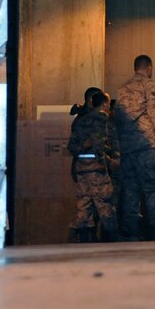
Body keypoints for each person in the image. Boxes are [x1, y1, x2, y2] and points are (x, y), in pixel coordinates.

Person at [114, 55, 155, 241]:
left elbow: (118, 118)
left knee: (131, 189)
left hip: (127, 147)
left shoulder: (122, 89)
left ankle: (131, 231)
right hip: (147, 145)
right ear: (149, 67)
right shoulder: (149, 85)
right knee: (153, 187)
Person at [67, 91, 120, 242]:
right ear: (104, 104)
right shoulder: (101, 117)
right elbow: (99, 145)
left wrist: (83, 149)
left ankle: (73, 235)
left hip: (81, 168)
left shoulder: (81, 120)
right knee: (105, 203)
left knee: (84, 205)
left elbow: (71, 146)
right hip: (96, 168)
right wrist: (110, 162)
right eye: (108, 103)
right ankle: (113, 239)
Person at [66, 86, 104, 242]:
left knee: (89, 208)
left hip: (92, 167)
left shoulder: (92, 118)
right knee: (86, 207)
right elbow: (73, 147)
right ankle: (79, 235)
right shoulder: (84, 121)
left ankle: (86, 236)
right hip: (86, 168)